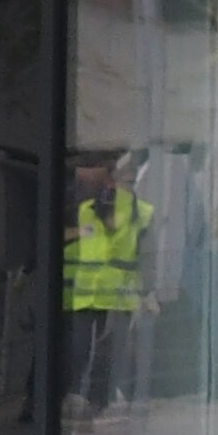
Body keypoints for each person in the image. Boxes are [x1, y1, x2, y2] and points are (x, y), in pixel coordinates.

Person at [63, 151, 155, 418]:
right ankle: (81, 397)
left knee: (111, 350)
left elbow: (145, 253)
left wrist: (147, 292)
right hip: (88, 292)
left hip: (117, 293)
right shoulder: (86, 210)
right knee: (82, 349)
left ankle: (100, 400)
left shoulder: (141, 212)